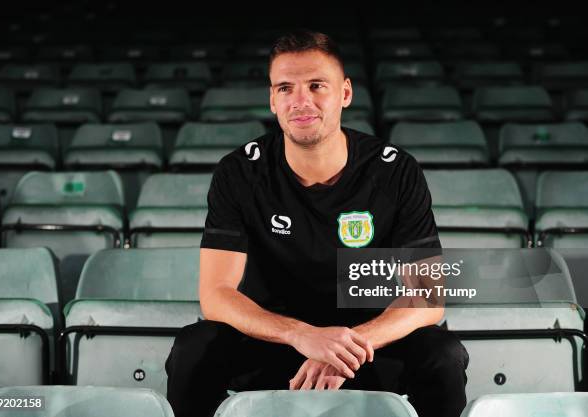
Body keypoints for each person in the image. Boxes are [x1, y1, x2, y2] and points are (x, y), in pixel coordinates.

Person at [165, 29, 469, 417]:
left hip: (367, 342)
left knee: (442, 355)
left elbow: (428, 298)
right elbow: (216, 295)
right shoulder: (239, 172)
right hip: (275, 340)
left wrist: (344, 346)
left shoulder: (394, 171)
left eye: (316, 86)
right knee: (194, 348)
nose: (300, 101)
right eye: (286, 88)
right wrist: (302, 335)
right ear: (272, 100)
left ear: (345, 93)